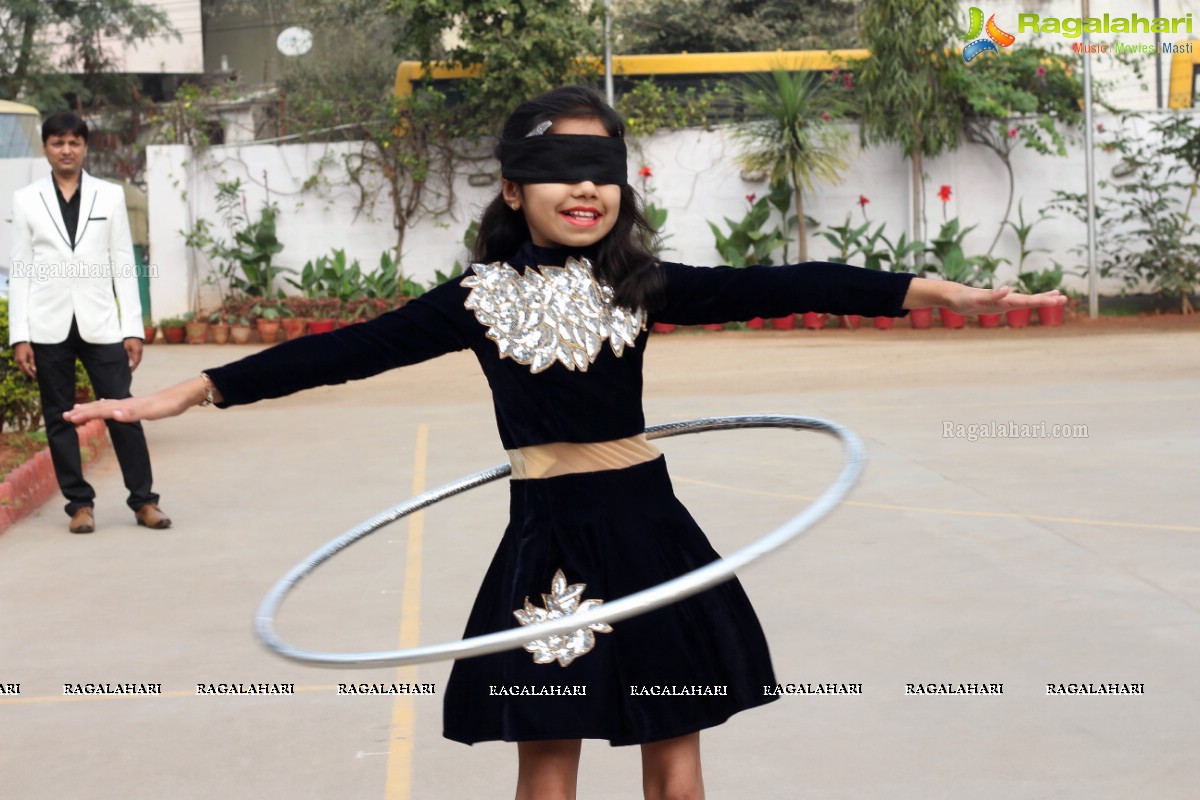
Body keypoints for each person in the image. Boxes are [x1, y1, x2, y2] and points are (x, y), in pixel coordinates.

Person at [65, 87, 1063, 799]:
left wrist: (933, 290)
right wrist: (190, 391)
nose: (583, 191)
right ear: (512, 189)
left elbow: (790, 281)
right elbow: (345, 352)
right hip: (547, 546)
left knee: (674, 758)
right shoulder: (477, 299)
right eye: (556, 174)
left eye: (602, 174)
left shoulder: (644, 284)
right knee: (547, 759)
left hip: (653, 538)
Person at [9, 111, 169, 534]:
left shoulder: (109, 196)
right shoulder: (26, 200)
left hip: (101, 323)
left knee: (122, 410)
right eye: (58, 143)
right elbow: (21, 268)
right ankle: (79, 504)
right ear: (45, 148)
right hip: (47, 324)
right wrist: (19, 335)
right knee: (60, 417)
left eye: (74, 142)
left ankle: (144, 501)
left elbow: (123, 264)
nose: (66, 150)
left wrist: (132, 327)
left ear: (85, 147)